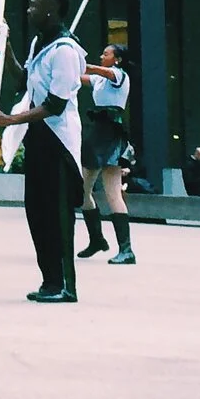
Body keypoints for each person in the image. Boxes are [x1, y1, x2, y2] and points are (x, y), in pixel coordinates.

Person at [0, 0, 87, 304]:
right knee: (38, 211)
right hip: (38, 138)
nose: (29, 10)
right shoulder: (39, 44)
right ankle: (50, 281)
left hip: (59, 143)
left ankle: (66, 285)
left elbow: (54, 105)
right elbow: (22, 80)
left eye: (35, 5)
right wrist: (5, 44)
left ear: (52, 9)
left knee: (57, 215)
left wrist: (9, 120)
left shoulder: (65, 51)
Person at [77, 45, 136, 264]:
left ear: (117, 59)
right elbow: (79, 78)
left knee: (113, 193)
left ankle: (126, 250)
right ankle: (97, 240)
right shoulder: (99, 80)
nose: (102, 56)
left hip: (111, 134)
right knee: (82, 190)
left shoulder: (119, 75)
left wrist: (83, 64)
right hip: (98, 133)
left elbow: (99, 71)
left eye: (106, 54)